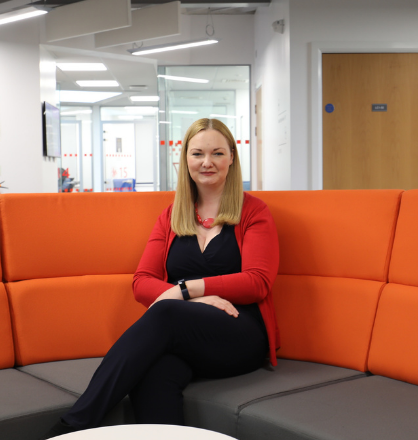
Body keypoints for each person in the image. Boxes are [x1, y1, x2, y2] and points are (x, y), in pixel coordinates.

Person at [43, 118, 280, 438]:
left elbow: (257, 281)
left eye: (217, 153)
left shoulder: (254, 212)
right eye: (197, 154)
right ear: (185, 161)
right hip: (186, 336)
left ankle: (71, 427)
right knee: (153, 374)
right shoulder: (171, 216)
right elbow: (142, 281)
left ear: (232, 158)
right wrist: (197, 298)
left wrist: (187, 290)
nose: (207, 162)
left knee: (165, 311)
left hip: (238, 332)